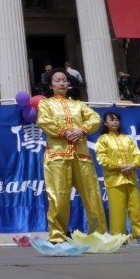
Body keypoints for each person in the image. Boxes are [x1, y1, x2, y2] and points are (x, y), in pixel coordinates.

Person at [37, 68, 107, 242]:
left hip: (81, 155)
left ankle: (97, 234)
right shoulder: (45, 104)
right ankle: (57, 236)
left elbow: (95, 119)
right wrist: (64, 132)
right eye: (57, 80)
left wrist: (81, 130)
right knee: (58, 196)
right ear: (51, 84)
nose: (62, 83)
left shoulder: (79, 105)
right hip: (57, 155)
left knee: (92, 194)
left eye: (64, 80)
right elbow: (44, 121)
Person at [95, 112, 140, 244]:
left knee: (136, 209)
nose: (115, 122)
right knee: (117, 211)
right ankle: (118, 238)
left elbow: (138, 155)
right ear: (105, 123)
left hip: (131, 178)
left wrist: (133, 165)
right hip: (114, 180)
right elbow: (102, 158)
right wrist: (118, 166)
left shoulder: (127, 139)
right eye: (112, 120)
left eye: (117, 120)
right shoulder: (103, 140)